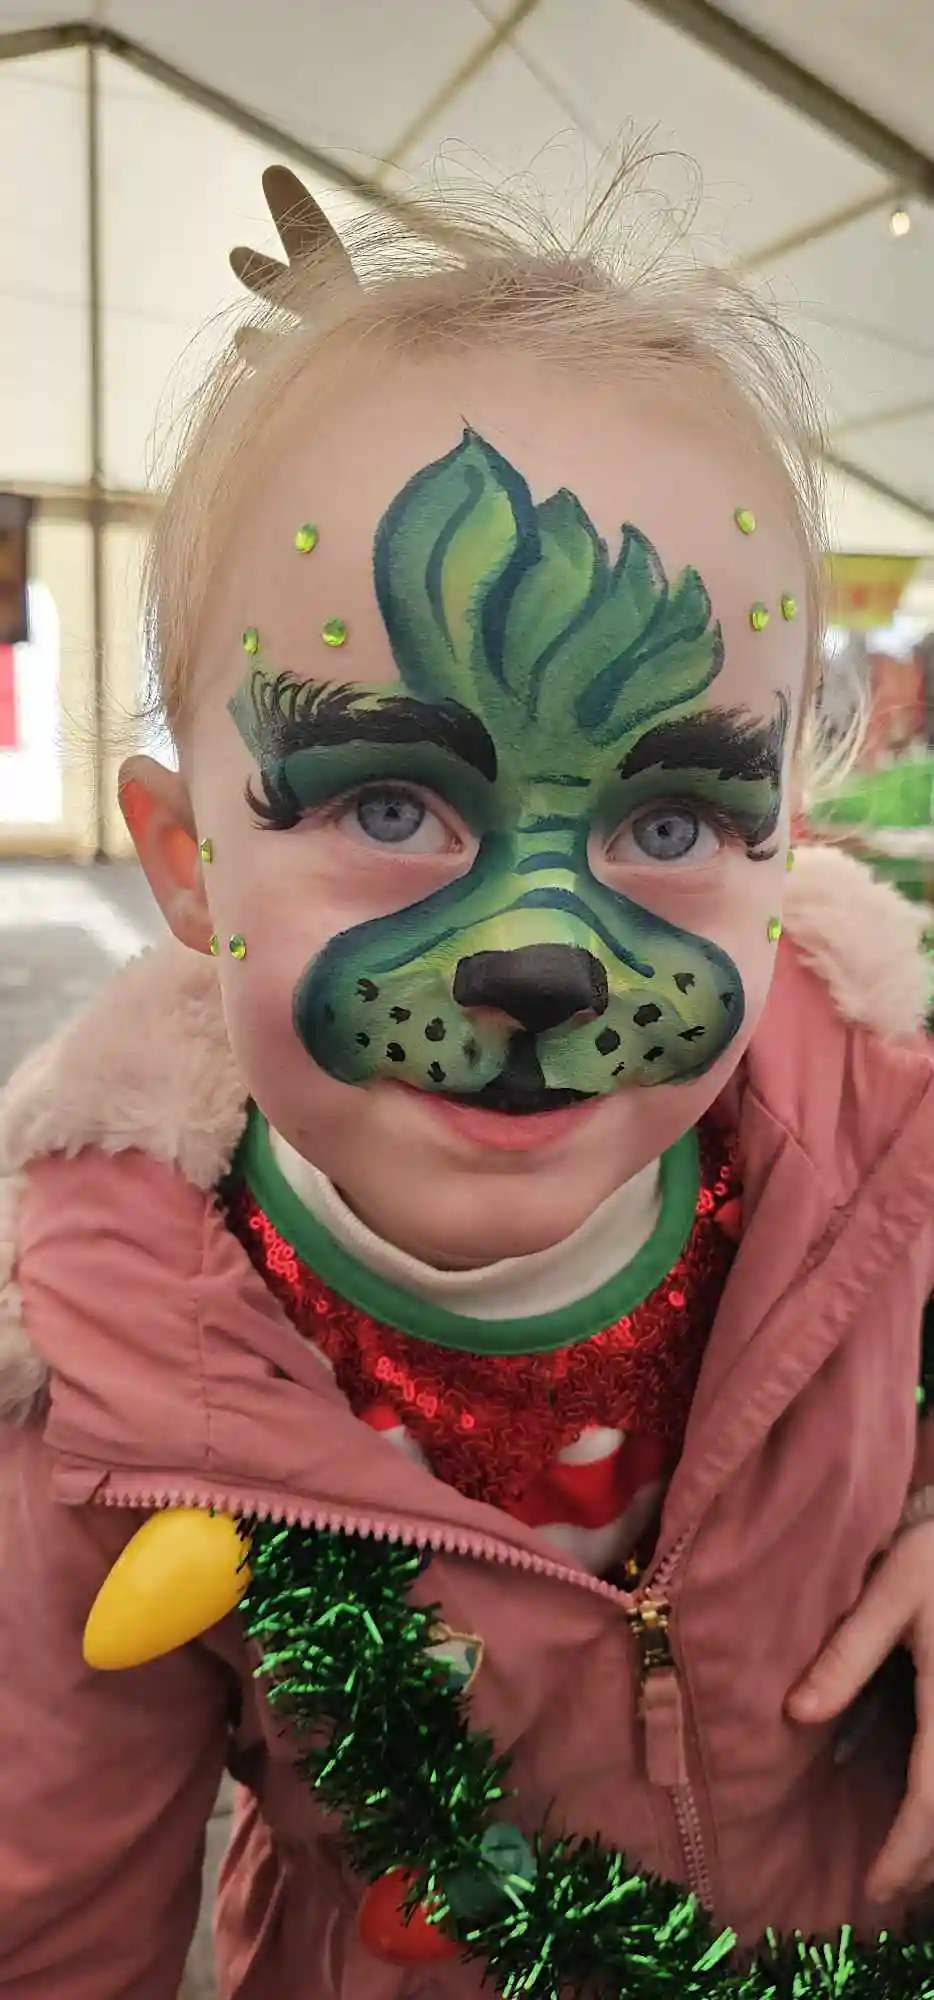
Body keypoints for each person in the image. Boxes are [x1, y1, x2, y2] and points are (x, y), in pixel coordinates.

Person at [2, 165, 934, 2000]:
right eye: (386, 802)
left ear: (783, 847)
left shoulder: (884, 1140)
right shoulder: (102, 1386)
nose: (541, 960)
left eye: (670, 819)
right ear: (186, 865)